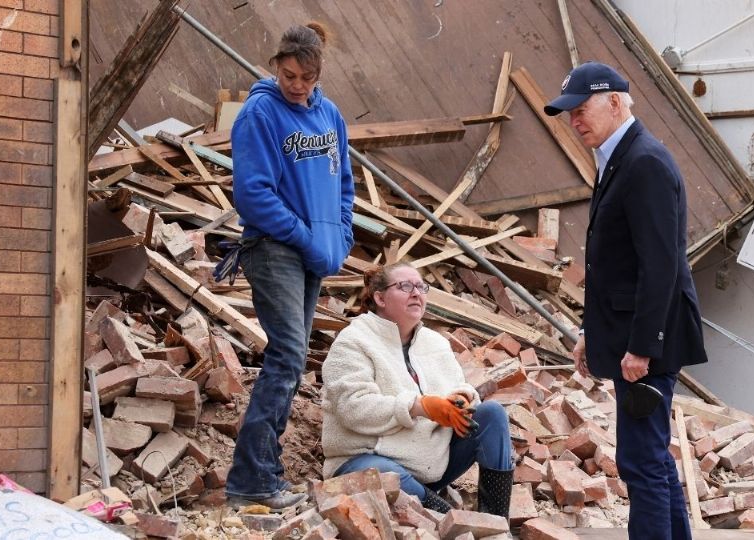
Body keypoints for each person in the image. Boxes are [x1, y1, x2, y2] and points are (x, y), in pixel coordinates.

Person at [544, 62, 709, 539]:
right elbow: (612, 264)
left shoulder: (645, 162)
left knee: (642, 463)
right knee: (650, 459)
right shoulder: (620, 156)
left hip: (649, 339)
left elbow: (660, 265)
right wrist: (589, 333)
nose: (575, 121)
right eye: (569, 114)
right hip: (632, 333)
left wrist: (641, 346)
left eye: (582, 109)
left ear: (616, 101)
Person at [225, 22, 354, 510]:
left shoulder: (330, 116)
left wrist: (338, 237)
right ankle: (253, 479)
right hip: (274, 247)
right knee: (286, 357)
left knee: (293, 362)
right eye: (289, 73)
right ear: (276, 65)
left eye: (306, 76)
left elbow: (343, 183)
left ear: (320, 73)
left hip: (315, 254)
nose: (296, 85)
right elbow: (253, 194)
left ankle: (260, 475)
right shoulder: (260, 112)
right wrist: (305, 237)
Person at [321, 262, 514, 518]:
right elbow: (352, 408)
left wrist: (462, 398)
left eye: (421, 286)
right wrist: (419, 406)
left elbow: (460, 385)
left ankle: (497, 524)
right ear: (380, 298)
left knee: (492, 414)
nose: (416, 293)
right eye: (405, 286)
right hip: (366, 461)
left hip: (430, 465)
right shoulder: (353, 341)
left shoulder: (435, 343)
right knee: (382, 473)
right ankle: (452, 521)